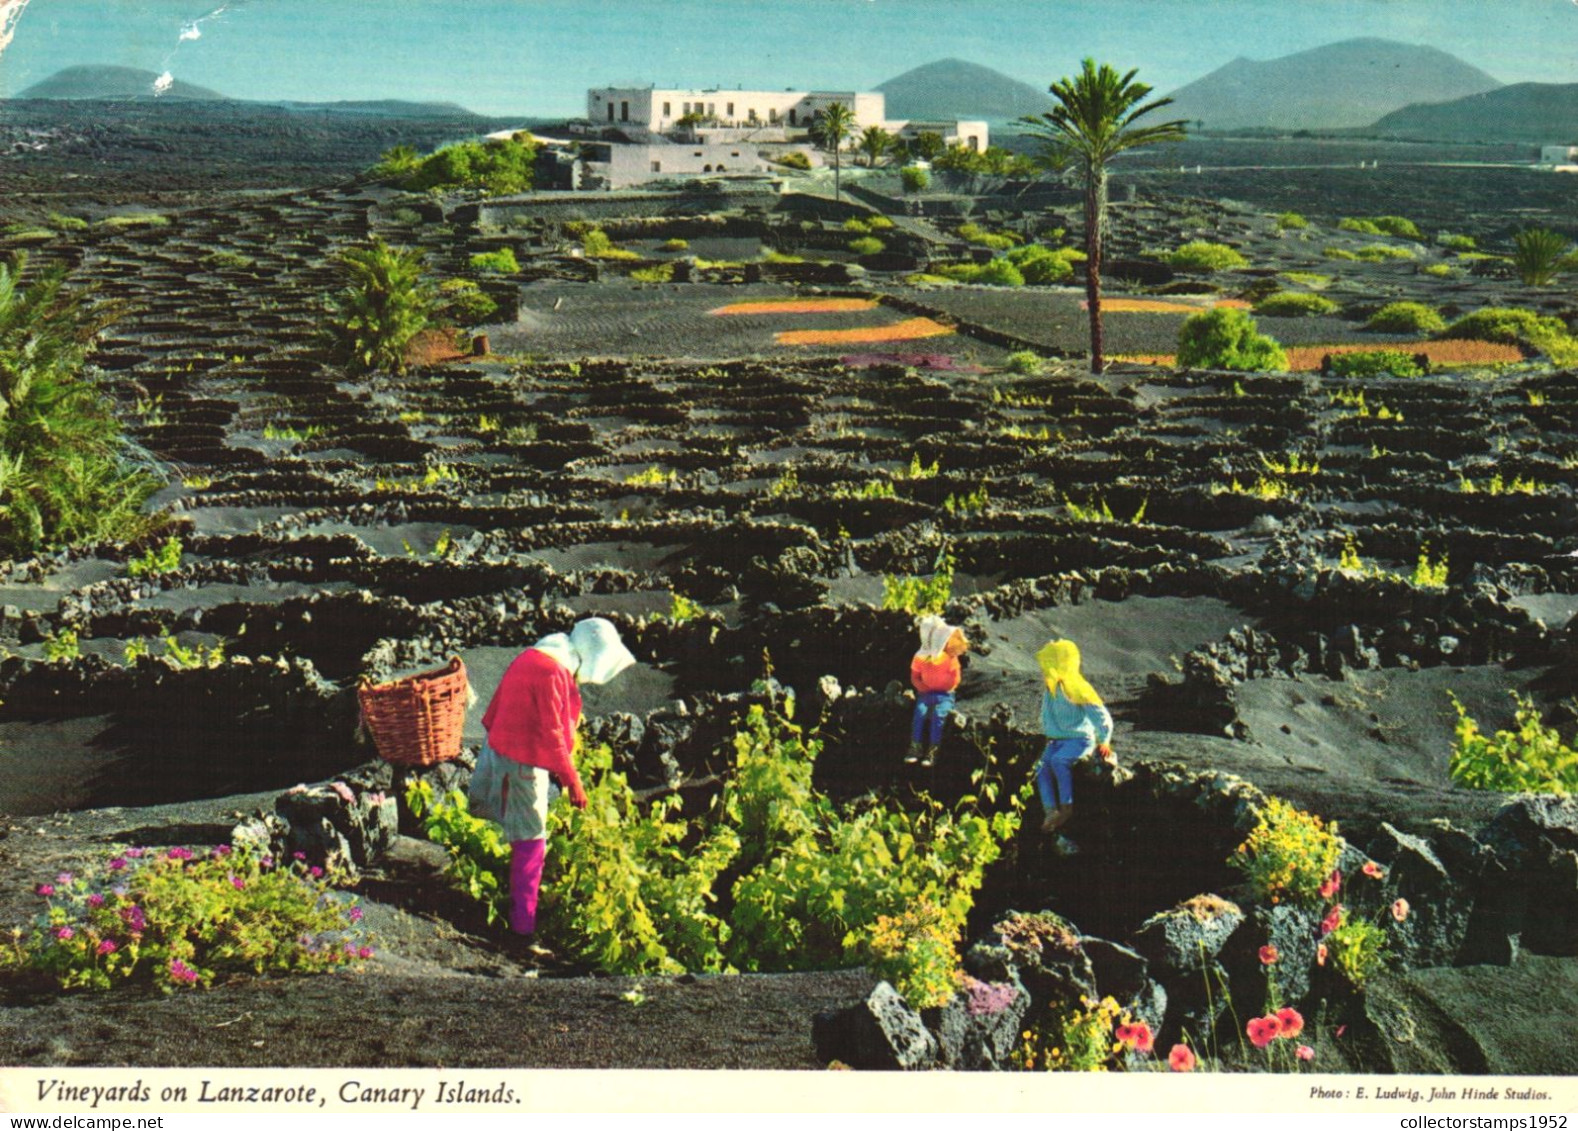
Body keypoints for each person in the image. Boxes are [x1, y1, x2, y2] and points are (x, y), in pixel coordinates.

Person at [469, 617, 635, 956]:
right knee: (532, 844)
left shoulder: (538, 654)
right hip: (522, 760)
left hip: (504, 748)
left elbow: (495, 710)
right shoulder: (553, 671)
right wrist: (573, 783)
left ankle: (516, 909)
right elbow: (552, 734)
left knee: (521, 836)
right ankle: (522, 935)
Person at [1034, 638, 1115, 834]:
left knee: (1059, 762)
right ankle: (1050, 810)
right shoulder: (1051, 688)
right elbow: (1046, 715)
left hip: (1079, 740)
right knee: (1041, 768)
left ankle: (1066, 807)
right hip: (1056, 741)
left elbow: (1101, 716)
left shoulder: (1077, 687)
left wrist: (1104, 740)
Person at [908, 614, 967, 768]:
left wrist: (947, 686)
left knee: (938, 715)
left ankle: (933, 751)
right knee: (920, 712)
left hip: (945, 696)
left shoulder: (950, 658)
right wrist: (922, 687)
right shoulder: (920, 657)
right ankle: (916, 746)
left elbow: (956, 677)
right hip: (925, 694)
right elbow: (914, 676)